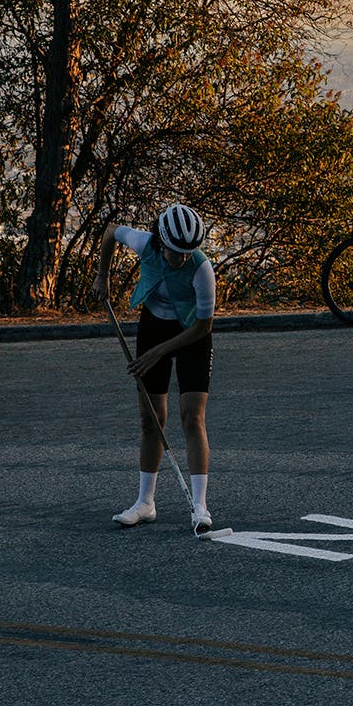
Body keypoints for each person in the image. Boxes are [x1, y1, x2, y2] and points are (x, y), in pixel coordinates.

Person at [102, 203, 219, 533]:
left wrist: (159, 353)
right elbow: (110, 232)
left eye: (188, 252)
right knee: (151, 418)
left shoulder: (201, 269)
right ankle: (145, 503)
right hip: (153, 325)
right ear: (161, 241)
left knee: (191, 416)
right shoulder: (144, 242)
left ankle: (200, 507)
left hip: (192, 333)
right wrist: (102, 277)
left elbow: (203, 327)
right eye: (175, 251)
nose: (182, 258)